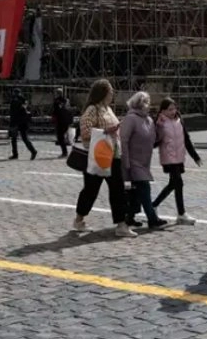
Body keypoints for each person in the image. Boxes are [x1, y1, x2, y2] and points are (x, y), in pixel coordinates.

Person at [72, 79, 134, 238]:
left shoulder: (108, 109)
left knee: (118, 190)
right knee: (90, 190)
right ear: (103, 93)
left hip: (113, 155)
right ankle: (79, 219)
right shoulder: (92, 109)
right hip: (97, 157)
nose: (112, 94)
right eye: (110, 91)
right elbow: (85, 131)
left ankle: (121, 224)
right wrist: (107, 131)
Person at [120, 91, 167, 230]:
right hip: (133, 161)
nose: (149, 105)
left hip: (144, 161)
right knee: (144, 188)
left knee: (136, 192)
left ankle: (129, 217)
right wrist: (126, 162)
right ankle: (152, 218)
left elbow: (155, 139)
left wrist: (160, 126)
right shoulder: (130, 119)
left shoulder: (149, 120)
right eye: (147, 102)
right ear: (140, 104)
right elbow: (123, 140)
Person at [152, 97, 201, 226]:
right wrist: (158, 131)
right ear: (163, 110)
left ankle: (153, 205)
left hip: (179, 157)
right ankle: (181, 213)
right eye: (170, 109)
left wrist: (195, 156)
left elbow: (186, 139)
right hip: (168, 157)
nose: (173, 111)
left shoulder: (179, 120)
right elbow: (155, 142)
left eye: (174, 108)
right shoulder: (160, 122)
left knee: (173, 184)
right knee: (178, 183)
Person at [8, 89, 37, 160]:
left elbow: (13, 112)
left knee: (16, 138)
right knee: (22, 138)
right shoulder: (23, 100)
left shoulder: (16, 101)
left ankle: (16, 154)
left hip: (17, 121)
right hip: (22, 122)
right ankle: (32, 151)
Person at [51, 88, 73, 157]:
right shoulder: (66, 101)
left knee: (60, 137)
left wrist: (53, 119)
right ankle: (65, 152)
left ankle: (64, 152)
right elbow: (69, 110)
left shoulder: (56, 101)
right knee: (62, 136)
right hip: (66, 121)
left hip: (60, 121)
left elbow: (55, 111)